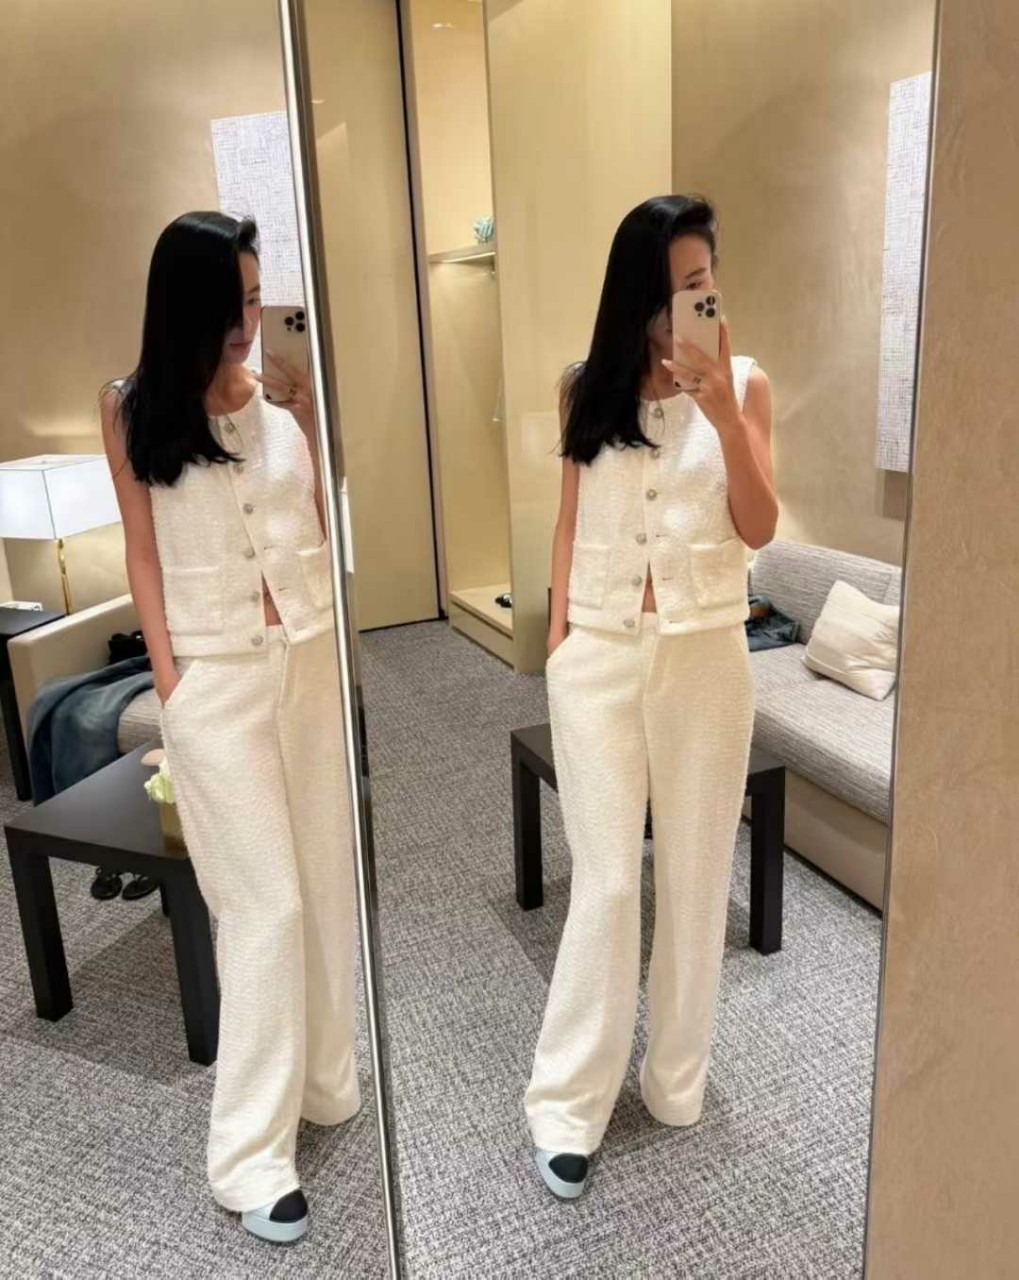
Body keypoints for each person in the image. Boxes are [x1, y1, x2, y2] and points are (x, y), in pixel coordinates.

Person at [100, 211, 360, 1242]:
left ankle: (323, 1078)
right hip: (214, 683)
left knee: (324, 882)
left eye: (256, 300)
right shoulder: (132, 409)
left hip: (307, 665)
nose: (249, 324)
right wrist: (171, 682)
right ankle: (249, 1153)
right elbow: (142, 552)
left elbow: (326, 534)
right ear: (185, 307)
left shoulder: (282, 407)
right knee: (264, 908)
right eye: (231, 304)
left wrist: (312, 419)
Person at [524, 194, 778, 1199]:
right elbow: (567, 518)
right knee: (606, 883)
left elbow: (758, 526)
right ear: (637, 296)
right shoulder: (582, 389)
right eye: (676, 288)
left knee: (695, 873)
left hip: (705, 655)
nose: (693, 304)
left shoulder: (746, 387)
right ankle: (566, 1102)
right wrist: (557, 638)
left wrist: (723, 417)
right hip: (594, 655)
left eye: (703, 282)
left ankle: (675, 1078)